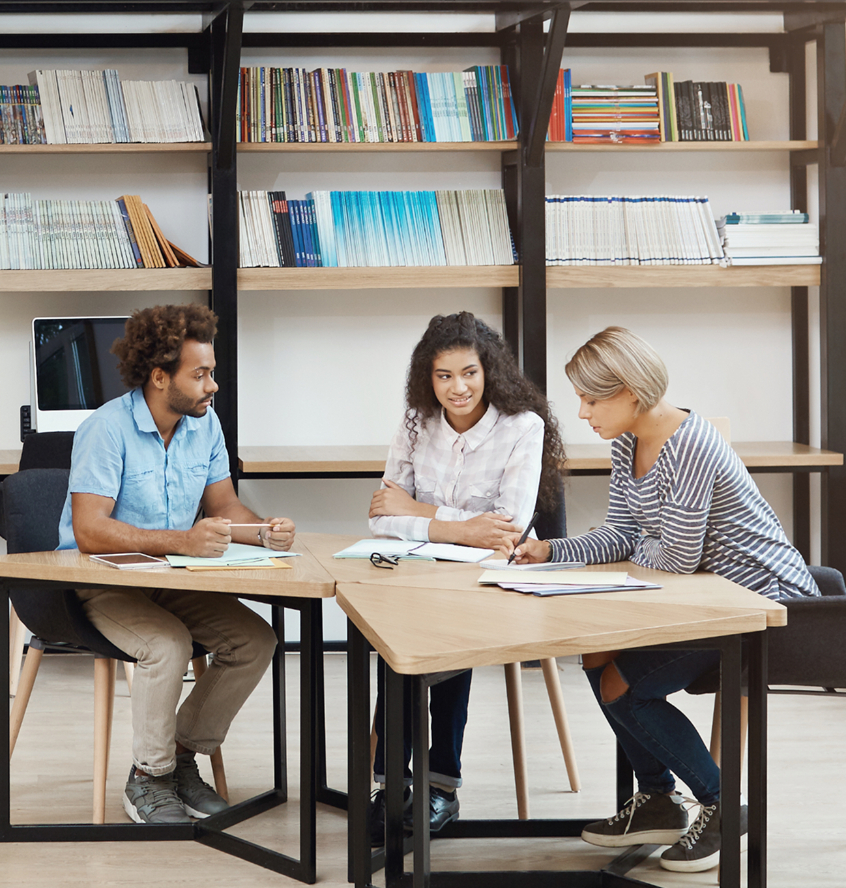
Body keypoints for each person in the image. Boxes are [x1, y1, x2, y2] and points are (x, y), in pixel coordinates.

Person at [503, 325, 819, 873]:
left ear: (631, 392)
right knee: (596, 657)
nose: (582, 413)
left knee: (623, 688)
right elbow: (627, 535)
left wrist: (645, 552)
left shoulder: (690, 444)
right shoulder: (628, 441)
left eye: (591, 398)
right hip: (710, 597)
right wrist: (552, 550)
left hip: (765, 602)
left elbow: (675, 558)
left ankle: (723, 808)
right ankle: (657, 801)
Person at [57, 304, 296, 825]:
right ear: (160, 377)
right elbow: (89, 529)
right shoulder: (106, 429)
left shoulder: (203, 427)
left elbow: (224, 507)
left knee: (254, 642)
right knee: (167, 645)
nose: (212, 386)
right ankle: (149, 777)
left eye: (212, 373)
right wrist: (182, 542)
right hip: (101, 579)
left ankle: (181, 758)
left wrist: (263, 533)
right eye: (201, 374)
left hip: (165, 577)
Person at [367, 310, 566, 844]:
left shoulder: (523, 427)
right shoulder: (415, 422)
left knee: (444, 643)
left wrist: (422, 514)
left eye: (469, 373)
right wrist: (460, 528)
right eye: (444, 376)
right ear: (427, 379)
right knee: (396, 643)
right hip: (415, 572)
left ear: (490, 371)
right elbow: (380, 517)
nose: (458, 387)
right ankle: (389, 787)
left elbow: (507, 530)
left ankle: (439, 787)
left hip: (490, 581)